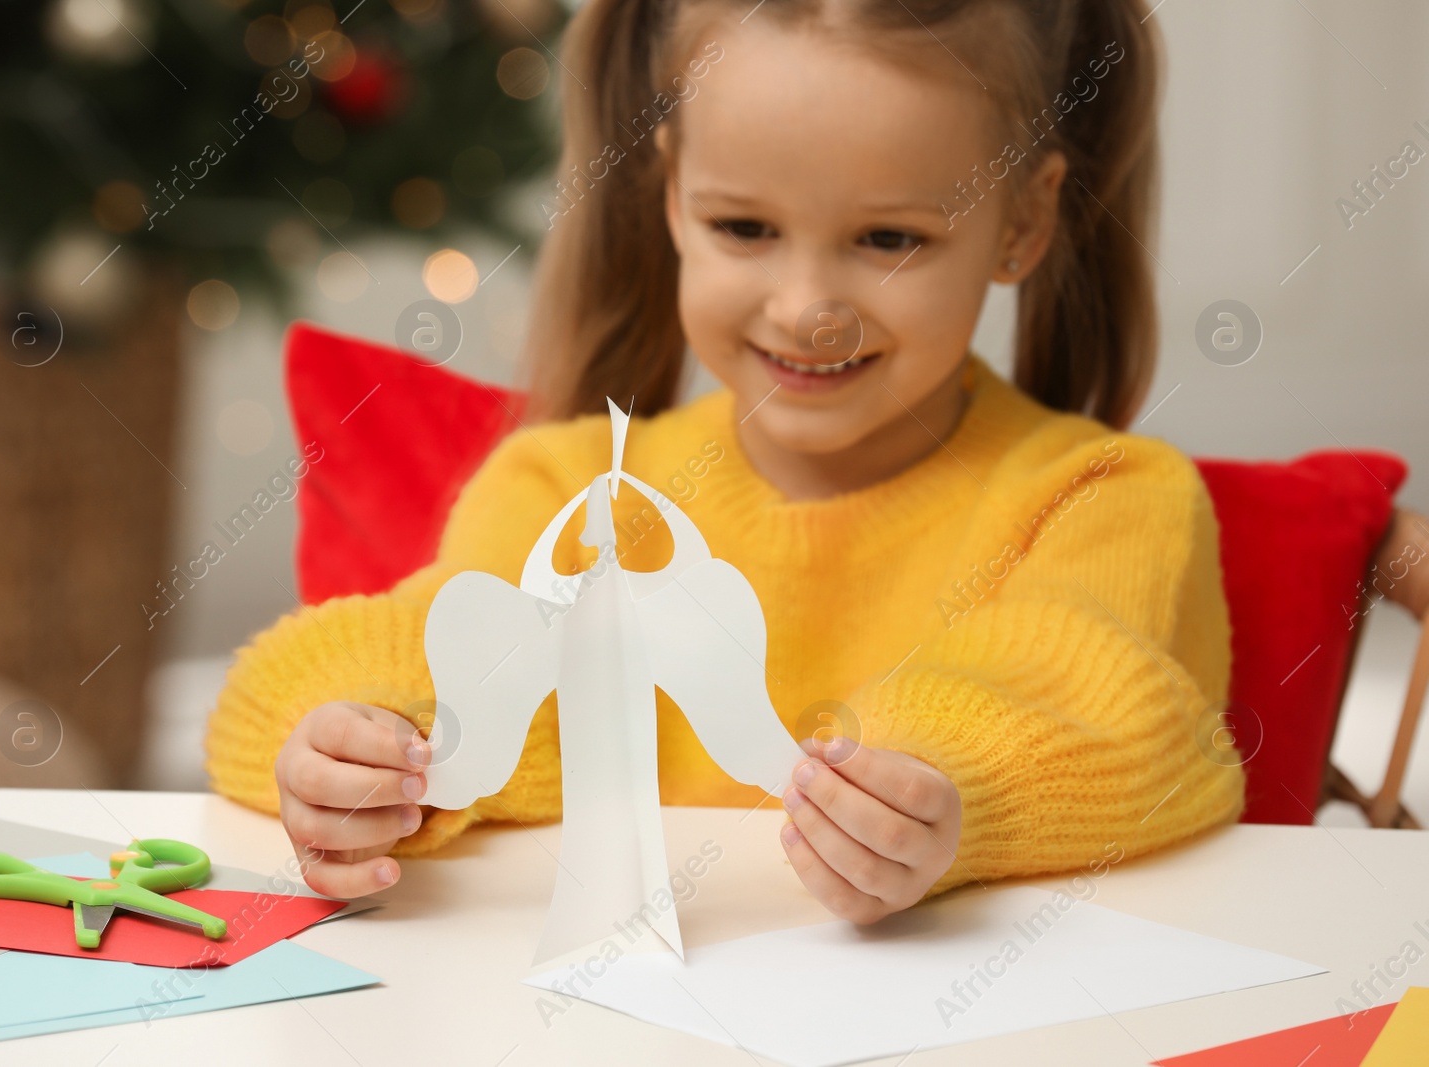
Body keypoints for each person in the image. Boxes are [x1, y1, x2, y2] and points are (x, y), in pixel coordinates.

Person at [206, 0, 1244, 921]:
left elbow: (1127, 729)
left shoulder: (1103, 500)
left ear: (1021, 221)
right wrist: (364, 752)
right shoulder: (564, 491)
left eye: (889, 239)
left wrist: (957, 793)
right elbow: (422, 674)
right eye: (743, 225)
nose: (806, 307)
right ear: (668, 196)